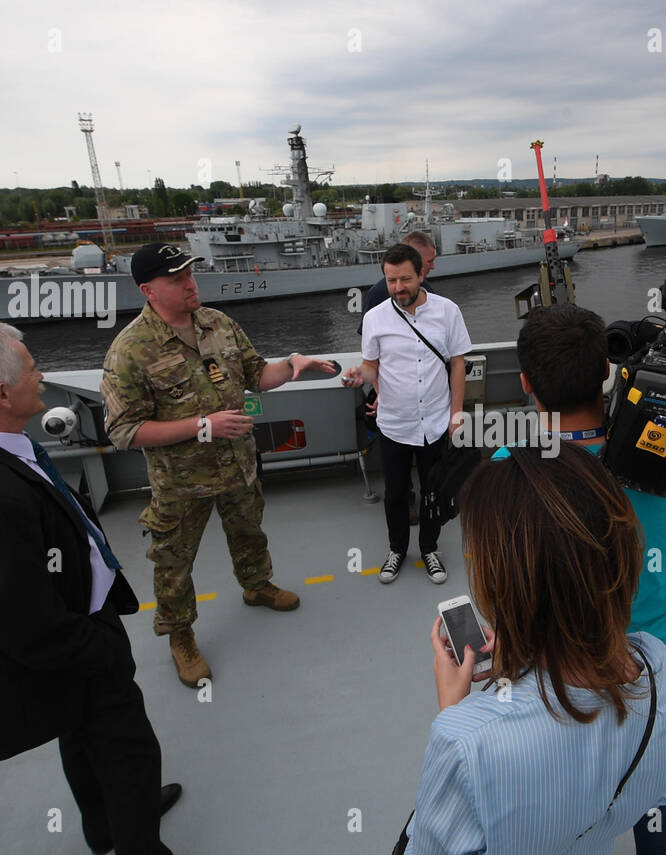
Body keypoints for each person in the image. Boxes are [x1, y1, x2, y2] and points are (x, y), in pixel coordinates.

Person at [0, 321, 179, 855]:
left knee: (78, 737)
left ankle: (103, 825)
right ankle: (142, 853)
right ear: (1, 394)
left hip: (71, 630)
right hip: (75, 646)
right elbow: (23, 622)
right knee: (128, 750)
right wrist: (102, 649)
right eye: (29, 366)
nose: (40, 373)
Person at [503, 303, 666, 855]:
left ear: (526, 381)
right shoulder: (662, 457)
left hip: (560, 661)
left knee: (568, 782)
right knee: (658, 781)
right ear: (607, 371)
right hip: (653, 653)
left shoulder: (509, 468)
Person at [402, 443, 666, 855]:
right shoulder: (660, 669)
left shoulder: (465, 745)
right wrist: (527, 654)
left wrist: (453, 712)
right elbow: (660, 788)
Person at [101, 242, 336, 687]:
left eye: (190, 274)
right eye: (177, 279)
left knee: (249, 530)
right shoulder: (130, 350)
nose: (190, 284)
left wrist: (291, 365)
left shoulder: (218, 323)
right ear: (148, 289)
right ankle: (180, 635)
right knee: (173, 562)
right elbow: (124, 430)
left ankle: (256, 584)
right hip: (181, 484)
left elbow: (255, 375)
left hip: (239, 465)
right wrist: (202, 425)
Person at [342, 243, 470, 585]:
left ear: (421, 275)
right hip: (395, 424)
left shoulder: (448, 311)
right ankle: (396, 548)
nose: (398, 288)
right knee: (396, 492)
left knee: (433, 491)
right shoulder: (375, 318)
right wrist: (360, 376)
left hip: (436, 422)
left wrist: (456, 414)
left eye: (405, 280)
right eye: (391, 280)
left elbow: (458, 363)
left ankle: (430, 547)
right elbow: (372, 367)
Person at [355, 231, 438, 526]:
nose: (432, 266)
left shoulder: (427, 290)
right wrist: (379, 395)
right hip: (389, 396)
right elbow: (372, 355)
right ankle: (406, 505)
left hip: (424, 400)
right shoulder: (380, 294)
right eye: (429, 260)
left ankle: (428, 513)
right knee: (398, 467)